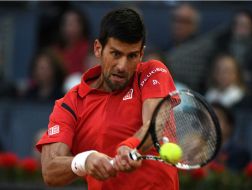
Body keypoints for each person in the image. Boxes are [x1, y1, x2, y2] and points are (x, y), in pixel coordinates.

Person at [36, 8, 179, 190]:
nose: (122, 66)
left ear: (141, 54)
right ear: (98, 48)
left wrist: (131, 147)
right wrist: (85, 161)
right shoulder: (70, 104)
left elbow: (155, 125)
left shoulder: (152, 72)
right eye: (116, 54)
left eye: (132, 56)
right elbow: (50, 171)